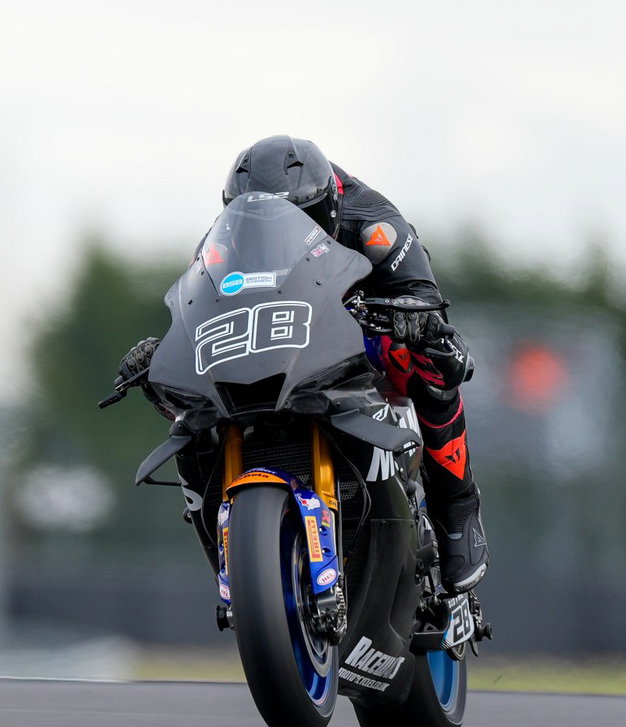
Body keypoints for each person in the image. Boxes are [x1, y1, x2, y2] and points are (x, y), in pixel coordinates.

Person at [117, 136, 488, 595]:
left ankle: (458, 511)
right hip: (276, 348)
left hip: (355, 333)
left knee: (432, 361)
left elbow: (428, 303)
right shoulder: (220, 240)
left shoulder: (375, 224)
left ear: (329, 204)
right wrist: (162, 353)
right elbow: (198, 309)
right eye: (256, 221)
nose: (273, 232)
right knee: (193, 418)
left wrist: (418, 321)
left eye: (300, 218)